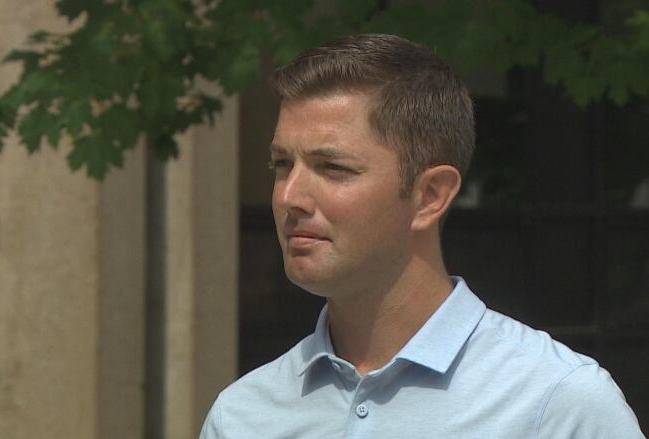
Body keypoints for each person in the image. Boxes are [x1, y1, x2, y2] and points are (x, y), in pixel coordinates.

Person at [199, 34, 645, 438]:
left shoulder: (555, 406)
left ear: (430, 196)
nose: (289, 196)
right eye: (282, 165)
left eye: (332, 168)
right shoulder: (242, 416)